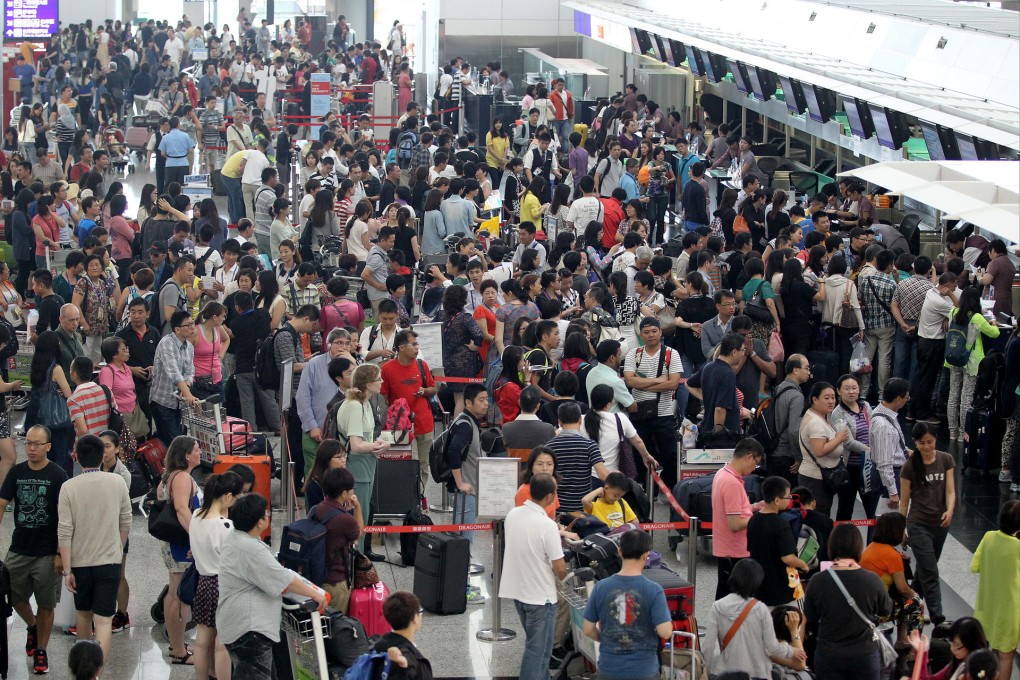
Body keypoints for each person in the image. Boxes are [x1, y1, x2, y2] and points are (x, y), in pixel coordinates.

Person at [217, 493, 328, 680]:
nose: (268, 516)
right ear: (259, 522)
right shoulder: (252, 549)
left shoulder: (235, 538)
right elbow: (284, 580)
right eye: (266, 513)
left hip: (235, 624)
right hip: (249, 630)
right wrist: (316, 595)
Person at [57, 434, 131, 664]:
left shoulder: (68, 487)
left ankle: (84, 669)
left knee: (83, 615)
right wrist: (116, 549)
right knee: (104, 621)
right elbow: (126, 520)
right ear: (102, 456)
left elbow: (65, 531)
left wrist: (68, 570)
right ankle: (97, 672)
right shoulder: (117, 482)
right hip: (109, 561)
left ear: (76, 457)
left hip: (80, 563)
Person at [0, 424, 67, 675]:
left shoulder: (59, 475)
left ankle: (41, 649)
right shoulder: (16, 472)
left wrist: (61, 553)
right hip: (19, 548)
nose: (31, 448)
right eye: (28, 443)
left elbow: (64, 518)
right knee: (14, 596)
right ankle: (31, 626)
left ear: (48, 446)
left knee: (46, 603)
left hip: (47, 551)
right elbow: (2, 503)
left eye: (37, 444)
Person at [500, 472, 567, 680]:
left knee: (537, 649)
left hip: (518, 592)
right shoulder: (547, 526)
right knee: (538, 653)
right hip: (541, 597)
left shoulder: (513, 514)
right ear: (549, 497)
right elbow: (560, 568)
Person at [804, 523, 893, 680]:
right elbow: (886, 609)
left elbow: (810, 617)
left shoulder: (817, 581)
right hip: (864, 655)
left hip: (828, 655)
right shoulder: (871, 580)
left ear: (831, 546)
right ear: (858, 547)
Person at [582, 530, 672, 680]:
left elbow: (587, 629)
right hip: (644, 670)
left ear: (620, 552)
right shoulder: (654, 590)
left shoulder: (601, 587)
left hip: (609, 669)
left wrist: (605, 638)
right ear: (646, 555)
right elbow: (665, 632)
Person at [702, 559, 804, 679]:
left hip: (726, 673)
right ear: (757, 583)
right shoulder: (760, 609)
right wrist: (791, 651)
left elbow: (708, 646)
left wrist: (705, 672)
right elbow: (772, 646)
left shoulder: (717, 606)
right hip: (757, 673)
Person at [898, 421, 956, 627]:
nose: (926, 446)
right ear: (915, 442)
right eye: (921, 442)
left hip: (940, 524)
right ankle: (938, 618)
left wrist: (950, 510)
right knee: (931, 571)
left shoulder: (946, 459)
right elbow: (904, 502)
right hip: (918, 524)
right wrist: (901, 529)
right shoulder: (909, 467)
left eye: (930, 442)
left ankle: (910, 607)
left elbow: (950, 490)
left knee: (924, 570)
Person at [190, 472, 244, 680]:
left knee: (202, 642)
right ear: (228, 496)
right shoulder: (225, 526)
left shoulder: (196, 515)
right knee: (223, 646)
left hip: (203, 582)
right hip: (223, 586)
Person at [335, 364, 390, 555]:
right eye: (378, 379)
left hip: (366, 467)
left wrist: (377, 443)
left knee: (363, 515)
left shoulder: (364, 403)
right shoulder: (355, 406)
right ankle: (355, 561)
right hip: (357, 468)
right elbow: (357, 445)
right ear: (367, 383)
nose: (382, 382)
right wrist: (379, 446)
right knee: (359, 518)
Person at [622, 317, 683, 486]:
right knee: (640, 453)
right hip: (639, 411)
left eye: (654, 331)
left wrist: (643, 385)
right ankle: (646, 488)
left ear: (660, 332)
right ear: (640, 334)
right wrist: (658, 381)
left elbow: (673, 384)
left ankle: (666, 486)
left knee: (670, 454)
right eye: (646, 332)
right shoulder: (634, 354)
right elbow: (629, 381)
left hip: (663, 412)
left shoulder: (671, 353)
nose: (651, 335)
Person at [381, 330, 438, 488]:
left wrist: (425, 391)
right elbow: (383, 398)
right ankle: (405, 498)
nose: (417, 348)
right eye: (413, 344)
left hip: (424, 423)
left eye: (417, 344)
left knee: (423, 464)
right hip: (400, 427)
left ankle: (420, 499)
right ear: (401, 348)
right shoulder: (387, 369)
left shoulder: (421, 365)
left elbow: (433, 389)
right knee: (403, 464)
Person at [971, 500, 1020, 679]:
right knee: (1005, 656)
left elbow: (974, 566)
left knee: (989, 656)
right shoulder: (1017, 547)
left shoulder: (989, 536)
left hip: (986, 609)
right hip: (1009, 613)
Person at [711, 438, 764, 599]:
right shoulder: (732, 483)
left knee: (725, 597)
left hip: (727, 548)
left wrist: (753, 507)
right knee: (734, 599)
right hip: (735, 550)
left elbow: (733, 511)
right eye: (756, 463)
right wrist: (760, 518)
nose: (754, 469)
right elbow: (734, 523)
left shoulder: (722, 473)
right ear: (749, 456)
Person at [945, 287, 1000, 442]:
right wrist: (994, 323)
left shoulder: (953, 313)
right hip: (971, 361)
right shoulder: (976, 317)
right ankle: (964, 432)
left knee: (953, 395)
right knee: (967, 396)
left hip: (953, 358)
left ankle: (952, 432)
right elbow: (994, 333)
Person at [860, 512, 923, 645]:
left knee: (903, 599)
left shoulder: (871, 547)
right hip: (877, 611)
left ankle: (902, 638)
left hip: (864, 604)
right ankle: (912, 645)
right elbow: (903, 589)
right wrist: (915, 595)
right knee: (915, 602)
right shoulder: (891, 555)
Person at [747, 476, 808, 607]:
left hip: (758, 586)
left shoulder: (753, 520)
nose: (790, 500)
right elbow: (788, 558)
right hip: (780, 588)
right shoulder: (781, 524)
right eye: (788, 497)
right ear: (777, 500)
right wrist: (803, 565)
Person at [797, 381, 850, 516]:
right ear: (815, 399)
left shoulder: (819, 416)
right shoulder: (816, 423)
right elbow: (819, 451)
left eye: (833, 397)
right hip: (815, 479)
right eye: (826, 398)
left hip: (819, 477)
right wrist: (839, 438)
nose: (831, 401)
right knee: (817, 517)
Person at [546, 401, 608, 514]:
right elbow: (603, 475)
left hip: (557, 508)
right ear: (580, 420)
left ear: (559, 422)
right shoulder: (590, 445)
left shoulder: (549, 447)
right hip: (582, 509)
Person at [317, 467, 365, 613]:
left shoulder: (316, 509)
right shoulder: (344, 519)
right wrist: (357, 507)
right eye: (351, 489)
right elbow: (359, 532)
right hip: (335, 582)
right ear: (344, 493)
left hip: (317, 576)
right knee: (337, 629)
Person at [150, 311, 199, 446]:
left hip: (178, 402)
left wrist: (187, 387)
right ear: (177, 329)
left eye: (192, 323)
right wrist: (189, 395)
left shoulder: (189, 346)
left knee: (172, 440)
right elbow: (174, 373)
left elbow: (190, 371)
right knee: (174, 442)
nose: (192, 328)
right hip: (163, 401)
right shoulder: (167, 343)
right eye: (188, 325)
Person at [869, 377, 912, 516]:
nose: (908, 399)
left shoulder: (883, 412)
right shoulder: (883, 426)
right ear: (898, 399)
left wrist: (905, 451)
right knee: (885, 525)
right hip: (888, 479)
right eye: (906, 397)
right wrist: (892, 492)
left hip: (890, 476)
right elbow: (884, 463)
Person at [906, 617, 989, 680]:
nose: (952, 648)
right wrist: (921, 653)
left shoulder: (975, 673)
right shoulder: (958, 664)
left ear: (971, 644)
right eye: (952, 643)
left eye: (957, 645)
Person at [770, 355, 810, 484]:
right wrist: (798, 457)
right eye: (806, 368)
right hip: (787, 455)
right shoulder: (796, 396)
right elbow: (794, 430)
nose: (809, 372)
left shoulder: (779, 388)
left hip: (772, 451)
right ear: (796, 370)